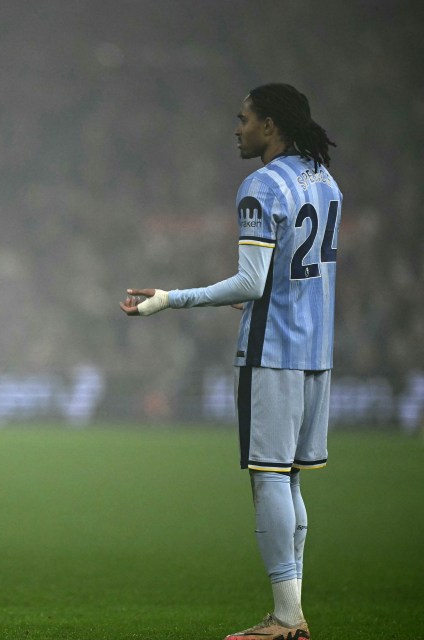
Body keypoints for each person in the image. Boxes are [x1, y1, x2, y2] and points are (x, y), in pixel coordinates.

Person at [120, 83, 341, 640]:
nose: (236, 128)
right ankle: (291, 614)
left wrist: (170, 299)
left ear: (270, 126)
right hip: (317, 352)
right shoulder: (326, 180)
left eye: (244, 119)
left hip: (272, 352)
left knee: (269, 479)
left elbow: (251, 281)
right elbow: (284, 276)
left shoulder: (260, 185)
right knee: (289, 481)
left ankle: (286, 619)